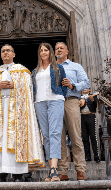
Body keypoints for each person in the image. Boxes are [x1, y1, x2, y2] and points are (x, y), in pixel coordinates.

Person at [0, 44, 45, 182]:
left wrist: (16, 86)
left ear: (14, 54)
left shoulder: (22, 71)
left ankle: (18, 174)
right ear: (1, 55)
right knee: (0, 142)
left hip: (17, 111)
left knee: (15, 141)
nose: (6, 53)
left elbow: (29, 90)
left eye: (8, 51)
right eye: (3, 51)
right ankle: (0, 174)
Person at [32, 43, 67, 182]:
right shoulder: (35, 71)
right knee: (45, 136)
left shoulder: (58, 68)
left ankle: (54, 169)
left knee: (54, 133)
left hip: (55, 101)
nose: (43, 52)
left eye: (46, 50)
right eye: (41, 50)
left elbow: (64, 87)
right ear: (39, 53)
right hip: (40, 102)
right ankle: (50, 169)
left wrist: (60, 97)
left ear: (50, 52)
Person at [55, 42, 90, 181]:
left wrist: (72, 85)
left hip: (71, 101)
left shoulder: (76, 66)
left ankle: (80, 170)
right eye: (56, 48)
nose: (59, 50)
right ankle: (62, 171)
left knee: (76, 136)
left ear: (67, 51)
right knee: (59, 138)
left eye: (61, 48)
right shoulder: (51, 67)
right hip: (55, 103)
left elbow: (86, 82)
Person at [80, 88, 100, 163]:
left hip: (91, 116)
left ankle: (96, 156)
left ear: (89, 89)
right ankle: (87, 156)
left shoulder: (93, 96)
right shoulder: (79, 97)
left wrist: (92, 99)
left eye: (86, 88)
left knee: (93, 136)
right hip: (82, 116)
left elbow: (96, 105)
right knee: (85, 137)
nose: (84, 89)